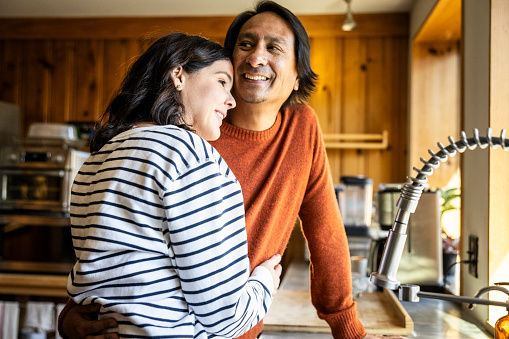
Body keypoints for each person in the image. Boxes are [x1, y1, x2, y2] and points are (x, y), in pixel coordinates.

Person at [59, 2, 406, 339]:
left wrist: (349, 331)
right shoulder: (192, 138)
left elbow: (325, 232)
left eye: (274, 47)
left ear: (298, 76)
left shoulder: (302, 127)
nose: (256, 57)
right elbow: (114, 231)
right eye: (245, 44)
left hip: (242, 326)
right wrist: (73, 314)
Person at [65, 32, 282, 338]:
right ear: (178, 74)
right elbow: (227, 318)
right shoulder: (190, 154)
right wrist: (264, 283)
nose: (231, 101)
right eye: (222, 81)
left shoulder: (95, 162)